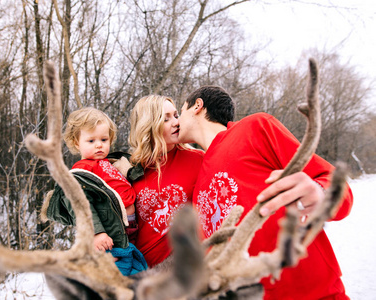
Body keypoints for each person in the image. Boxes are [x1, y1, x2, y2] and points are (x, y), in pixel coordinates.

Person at [177, 85, 353, 299]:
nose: (176, 121)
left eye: (180, 111)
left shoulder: (254, 127)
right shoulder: (199, 174)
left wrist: (319, 194)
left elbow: (338, 188)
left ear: (197, 106)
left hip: (310, 292)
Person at [42, 107, 147, 276]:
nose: (99, 145)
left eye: (104, 139)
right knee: (118, 275)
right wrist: (97, 233)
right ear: (77, 143)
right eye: (91, 141)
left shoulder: (109, 163)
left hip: (129, 230)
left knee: (137, 270)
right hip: (109, 236)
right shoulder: (81, 172)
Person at [128, 95, 204, 268]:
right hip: (138, 268)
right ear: (149, 125)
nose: (176, 122)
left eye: (176, 115)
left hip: (180, 270)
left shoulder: (198, 160)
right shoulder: (132, 169)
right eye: (166, 119)